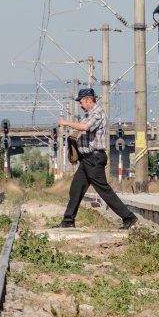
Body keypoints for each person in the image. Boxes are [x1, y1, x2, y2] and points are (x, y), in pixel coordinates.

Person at [57, 87, 137, 229]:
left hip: (94, 159)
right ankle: (68, 221)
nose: (80, 105)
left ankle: (129, 218)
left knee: (103, 190)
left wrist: (66, 123)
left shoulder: (97, 113)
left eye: (81, 102)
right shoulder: (88, 114)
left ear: (89, 100)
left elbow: (85, 127)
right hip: (87, 159)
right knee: (76, 188)